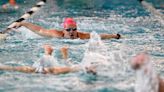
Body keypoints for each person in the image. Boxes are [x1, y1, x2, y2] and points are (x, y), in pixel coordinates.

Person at [13, 18, 121, 39]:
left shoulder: (81, 36)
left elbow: (99, 36)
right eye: (68, 30)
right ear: (64, 30)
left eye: (74, 29)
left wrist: (114, 36)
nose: (72, 32)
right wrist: (23, 24)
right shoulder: (57, 34)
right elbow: (40, 30)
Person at [0, 45, 79, 74]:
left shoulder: (33, 70)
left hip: (38, 69)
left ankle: (48, 52)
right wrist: (65, 55)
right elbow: (74, 67)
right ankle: (49, 52)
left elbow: (11, 68)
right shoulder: (56, 70)